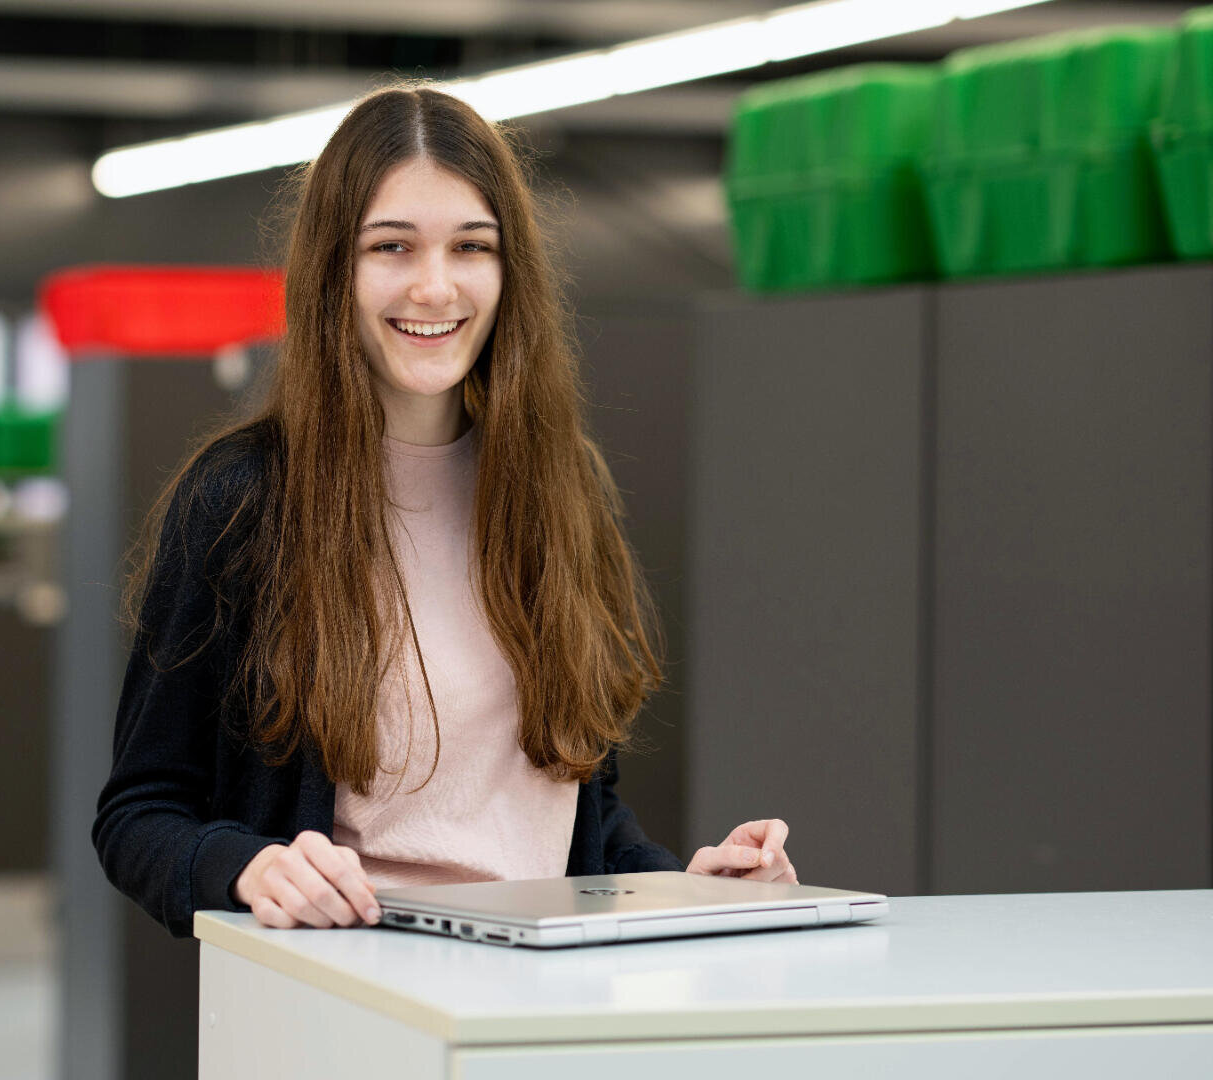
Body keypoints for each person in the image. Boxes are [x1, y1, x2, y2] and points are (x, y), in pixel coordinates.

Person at [94, 86, 797, 938]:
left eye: (472, 246)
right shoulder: (243, 499)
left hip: (544, 994)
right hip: (353, 988)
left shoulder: (557, 486)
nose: (435, 286)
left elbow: (576, 815)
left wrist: (684, 886)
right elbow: (138, 814)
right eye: (391, 247)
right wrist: (246, 867)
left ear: (510, 272)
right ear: (333, 271)